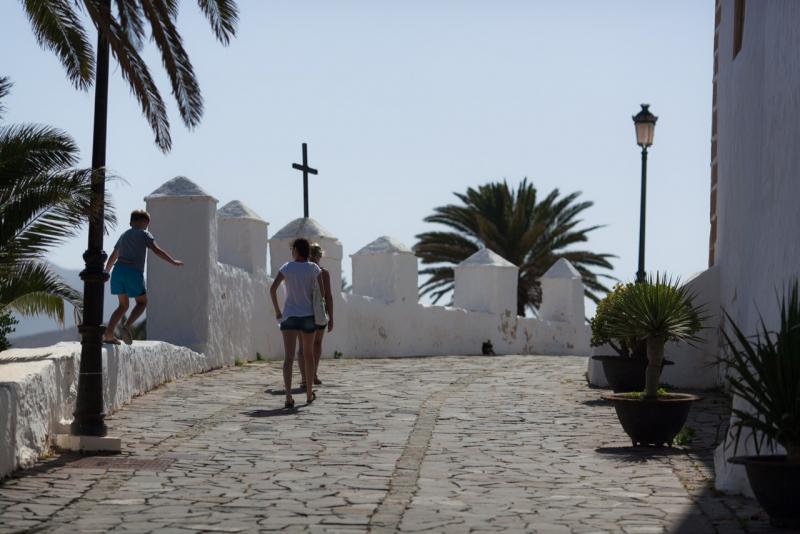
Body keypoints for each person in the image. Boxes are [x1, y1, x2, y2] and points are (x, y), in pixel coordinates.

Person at [103, 210, 183, 345]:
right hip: (133, 273)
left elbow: (113, 255)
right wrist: (172, 261)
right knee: (142, 302)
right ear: (145, 223)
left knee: (122, 306)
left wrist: (107, 270)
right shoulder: (145, 234)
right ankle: (126, 326)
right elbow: (156, 250)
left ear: (131, 222)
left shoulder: (124, 235)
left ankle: (109, 335)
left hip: (118, 272)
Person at [270, 238, 324, 408]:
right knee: (308, 355)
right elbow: (321, 293)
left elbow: (272, 289)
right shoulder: (313, 268)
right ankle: (309, 393)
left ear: (295, 250)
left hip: (290, 316)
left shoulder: (287, 267)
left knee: (289, 358)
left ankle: (288, 397)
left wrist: (278, 311)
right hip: (308, 316)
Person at [298, 243, 334, 389]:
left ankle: (307, 377)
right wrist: (331, 317)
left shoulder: (305, 271)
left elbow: (328, 296)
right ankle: (310, 375)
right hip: (315, 312)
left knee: (306, 346)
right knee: (313, 344)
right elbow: (328, 296)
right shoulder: (320, 273)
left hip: (307, 312)